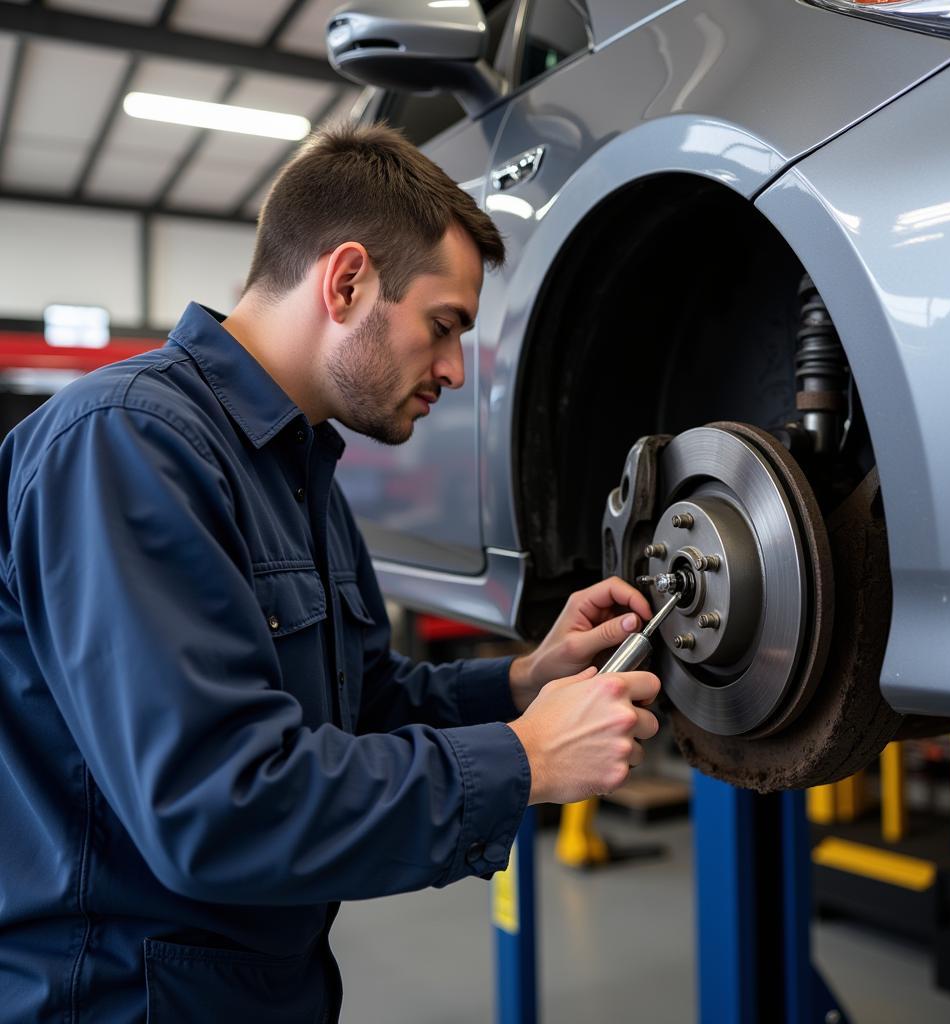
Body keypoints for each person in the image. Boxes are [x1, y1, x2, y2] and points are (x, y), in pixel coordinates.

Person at [0, 123, 661, 1023]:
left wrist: (521, 685)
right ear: (346, 280)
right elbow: (215, 808)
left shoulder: (300, 469)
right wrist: (524, 759)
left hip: (261, 990)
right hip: (119, 1000)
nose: (454, 370)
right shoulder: (127, 445)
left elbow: (361, 711)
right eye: (443, 325)